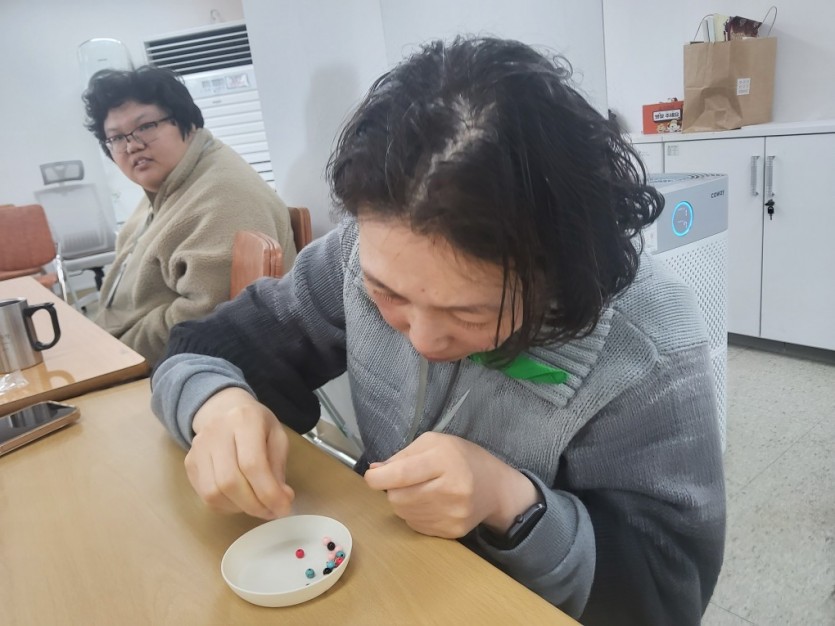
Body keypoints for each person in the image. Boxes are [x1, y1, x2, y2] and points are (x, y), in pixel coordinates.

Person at [151, 38, 725, 624]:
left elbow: (669, 591)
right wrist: (217, 408)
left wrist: (510, 502)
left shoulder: (648, 346)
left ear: (558, 270)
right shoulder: (363, 254)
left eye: (470, 314)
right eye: (387, 296)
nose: (421, 341)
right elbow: (207, 347)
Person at [82, 66, 297, 365]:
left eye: (146, 126)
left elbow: (207, 320)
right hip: (128, 354)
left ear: (187, 122)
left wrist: (114, 352)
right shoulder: (164, 187)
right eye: (116, 138)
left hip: (179, 370)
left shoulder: (222, 195)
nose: (132, 145)